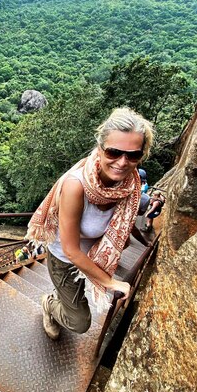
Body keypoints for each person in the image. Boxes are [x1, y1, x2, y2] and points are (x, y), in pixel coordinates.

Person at [27, 107, 154, 340]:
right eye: (114, 152)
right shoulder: (77, 186)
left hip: (96, 254)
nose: (122, 162)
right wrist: (110, 282)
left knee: (74, 303)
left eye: (133, 155)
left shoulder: (131, 184)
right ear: (100, 148)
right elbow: (71, 250)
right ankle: (49, 305)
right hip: (66, 260)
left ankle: (62, 296)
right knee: (79, 323)